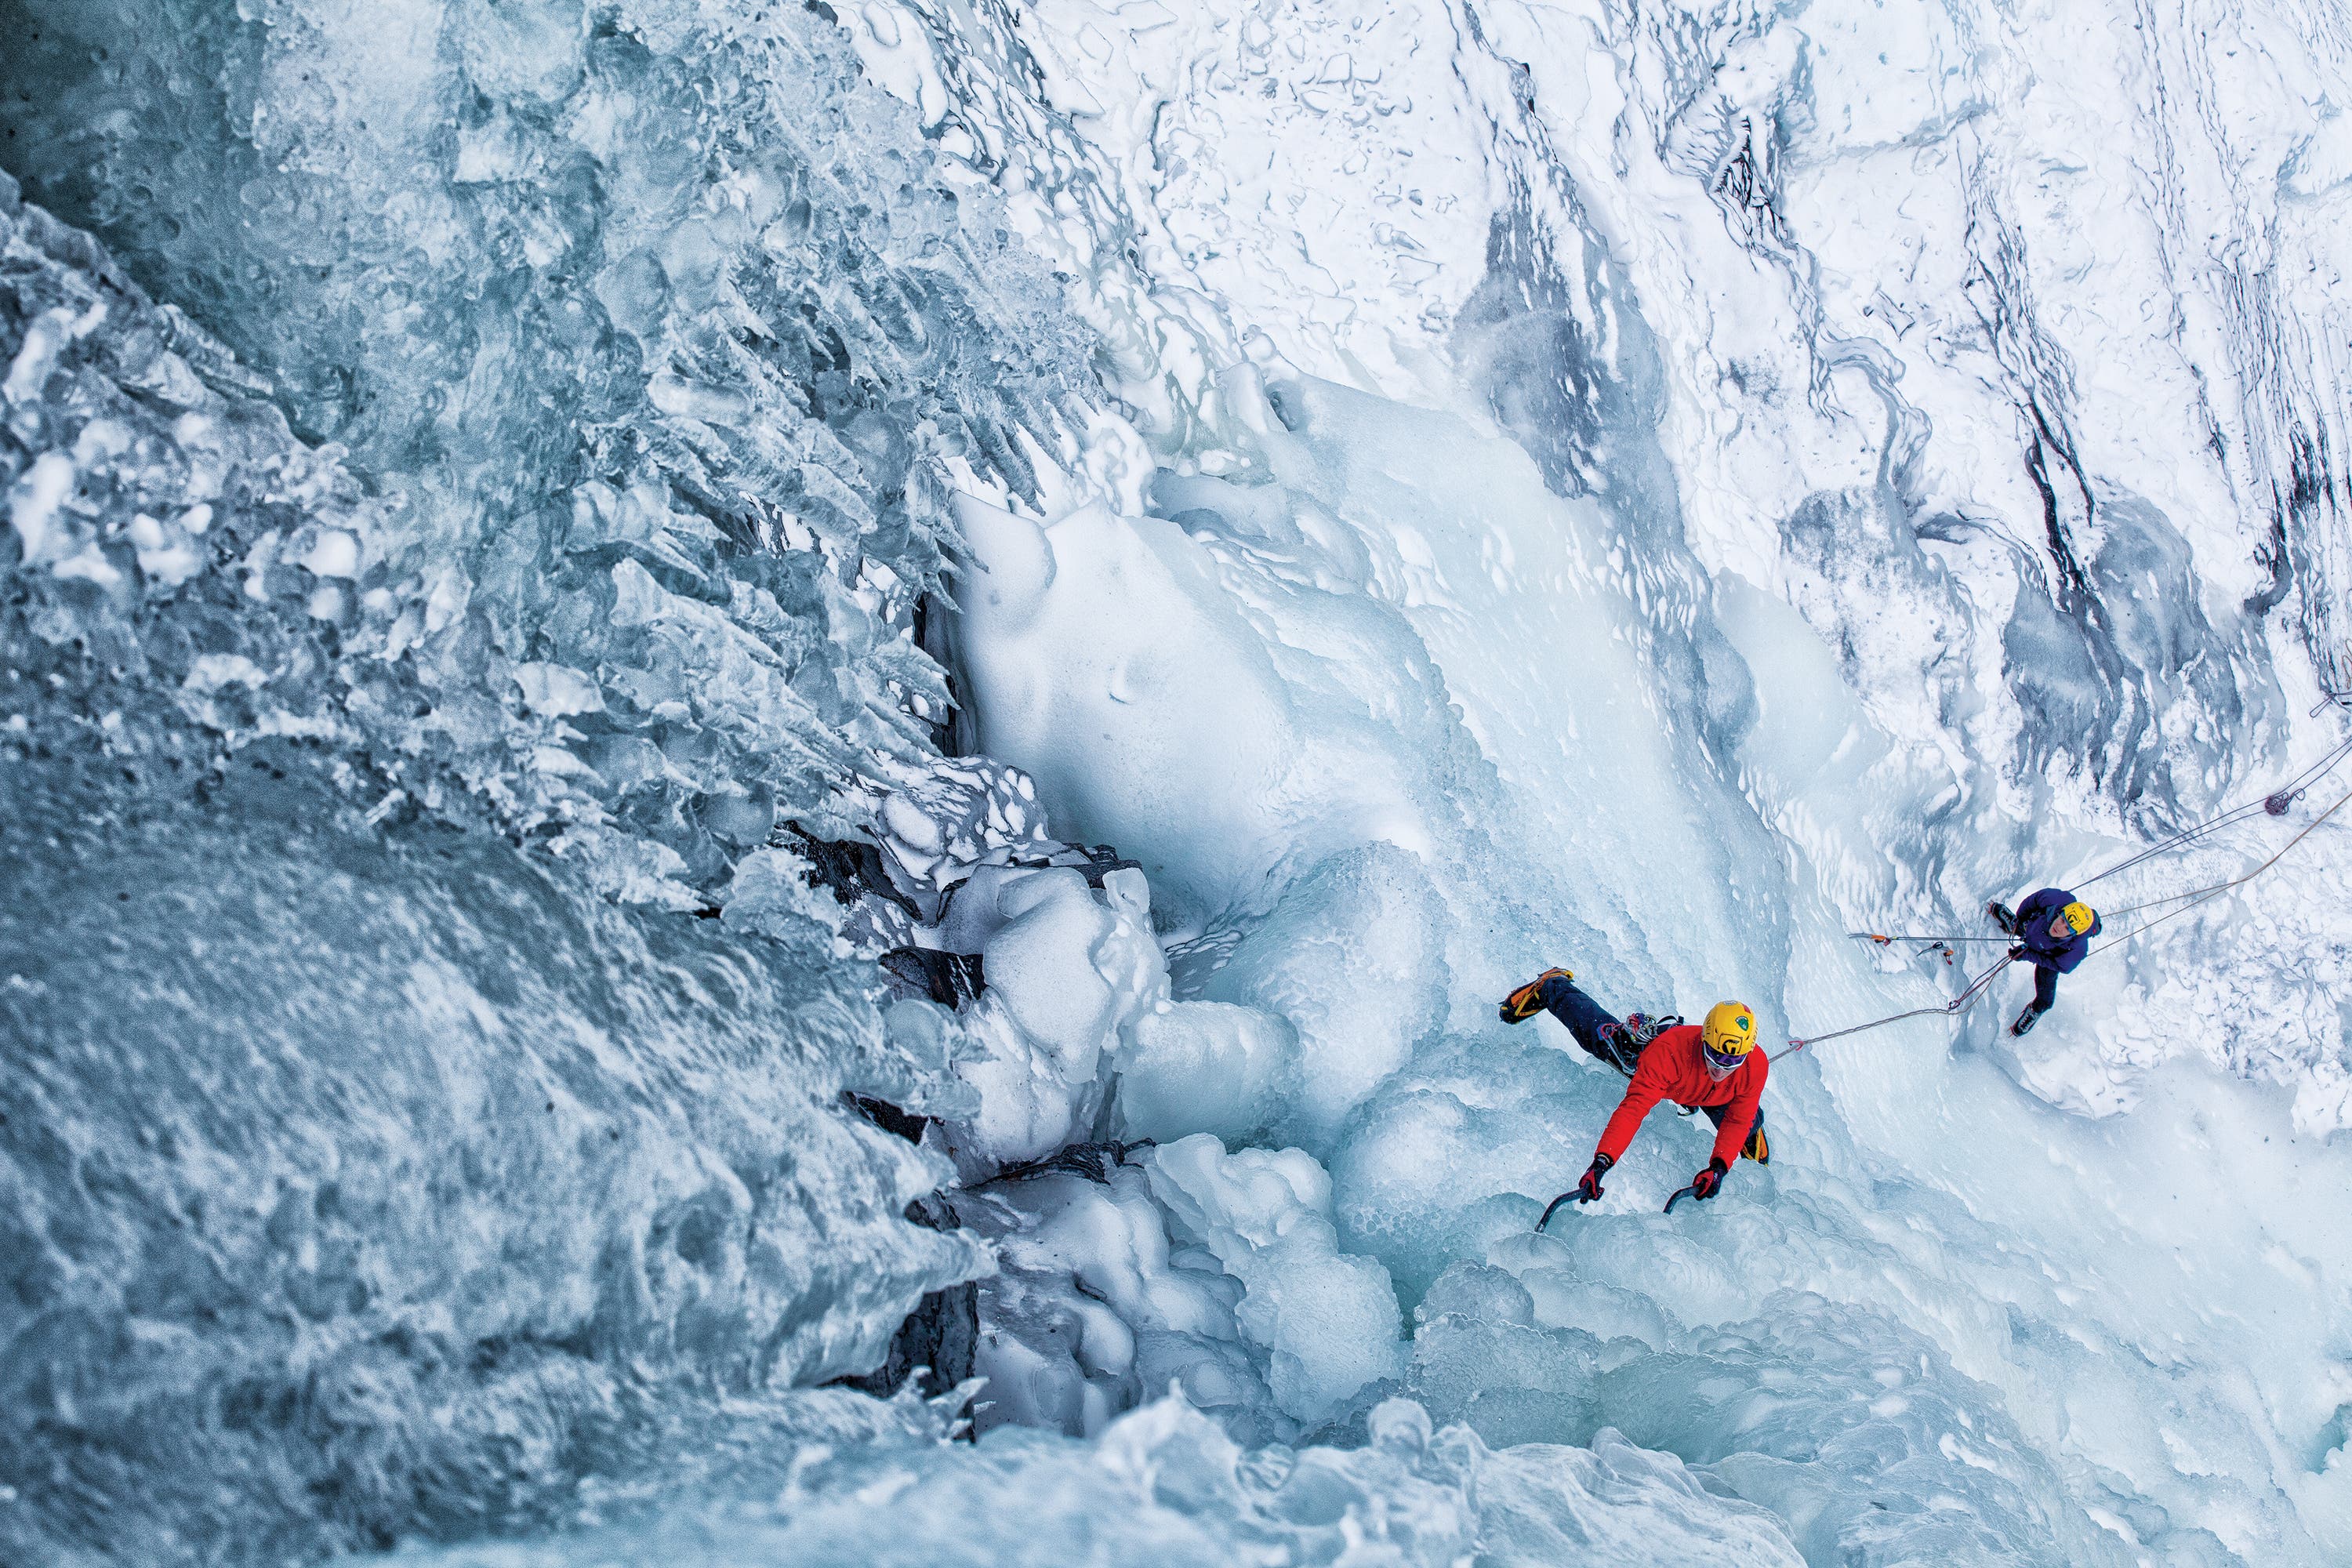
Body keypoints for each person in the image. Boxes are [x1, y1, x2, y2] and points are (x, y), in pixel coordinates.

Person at [1501, 968, 1769, 1204]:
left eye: (1732, 1060)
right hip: (1662, 1063)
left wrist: (1719, 1166)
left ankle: (1745, 1136)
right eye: (1716, 1056)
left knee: (1749, 1121)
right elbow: (1633, 1110)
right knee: (1600, 1038)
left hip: (1711, 1094)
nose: (1721, 1068)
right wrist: (1601, 1164)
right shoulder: (1666, 1055)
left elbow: (1738, 1119)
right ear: (1704, 1039)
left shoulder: (1755, 1065)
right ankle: (1553, 987)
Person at [1987, 889, 2100, 1037]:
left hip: (2049, 957)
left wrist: (2029, 955)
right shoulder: (2054, 899)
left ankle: (2036, 1010)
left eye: (2067, 928)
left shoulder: (2075, 951)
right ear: (2060, 912)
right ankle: (2014, 925)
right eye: (2062, 920)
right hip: (2036, 927)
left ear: (2073, 935)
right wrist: (2020, 920)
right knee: (2025, 928)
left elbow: (2061, 967)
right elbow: (2032, 901)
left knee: (2046, 999)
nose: (2060, 927)